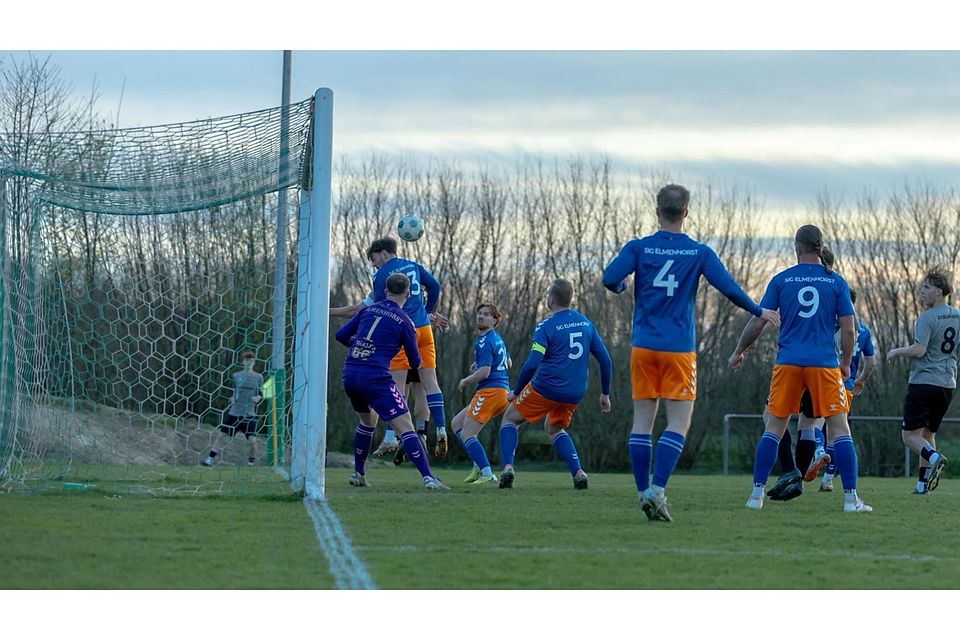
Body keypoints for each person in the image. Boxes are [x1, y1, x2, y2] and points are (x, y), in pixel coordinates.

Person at [601, 183, 780, 522]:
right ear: (686, 212)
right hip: (679, 350)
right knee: (679, 423)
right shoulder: (698, 252)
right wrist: (759, 310)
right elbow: (727, 288)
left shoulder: (639, 248)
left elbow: (610, 278)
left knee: (642, 422)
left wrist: (621, 285)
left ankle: (642, 492)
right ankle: (657, 490)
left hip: (643, 346)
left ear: (657, 211)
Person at [729, 224, 872, 513]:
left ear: (797, 248)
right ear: (821, 247)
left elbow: (759, 320)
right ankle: (850, 499)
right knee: (839, 429)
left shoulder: (782, 279)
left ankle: (755, 496)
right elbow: (848, 329)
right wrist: (845, 362)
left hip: (788, 363)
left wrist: (739, 351)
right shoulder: (836, 282)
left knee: (774, 427)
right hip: (824, 365)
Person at [330, 236, 450, 457]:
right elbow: (433, 285)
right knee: (428, 384)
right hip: (425, 329)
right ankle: (440, 429)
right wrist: (429, 312)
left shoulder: (383, 277)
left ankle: (391, 437)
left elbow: (371, 307)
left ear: (383, 253)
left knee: (396, 387)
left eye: (373, 259)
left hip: (405, 332)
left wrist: (328, 312)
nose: (374, 264)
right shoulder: (413, 266)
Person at [497, 279, 612, 490]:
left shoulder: (546, 326)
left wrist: (516, 391)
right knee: (554, 427)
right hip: (575, 393)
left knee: (510, 419)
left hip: (546, 388)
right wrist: (605, 393)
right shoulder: (586, 323)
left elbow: (532, 363)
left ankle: (507, 468)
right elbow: (605, 360)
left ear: (551, 299)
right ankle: (578, 472)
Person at [886, 266, 957, 494]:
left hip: (924, 382)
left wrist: (896, 351)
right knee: (928, 435)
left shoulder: (927, 317)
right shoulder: (957, 316)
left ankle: (935, 457)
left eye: (926, 287)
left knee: (910, 437)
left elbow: (919, 350)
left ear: (939, 291)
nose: (921, 291)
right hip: (947, 385)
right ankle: (922, 485)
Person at [820, 288, 877, 491]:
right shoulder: (863, 330)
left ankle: (818, 453)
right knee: (838, 433)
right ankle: (827, 479)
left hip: (826, 380)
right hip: (848, 386)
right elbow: (871, 363)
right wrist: (860, 380)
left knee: (814, 424)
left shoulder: (830, 325)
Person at [452, 303, 512, 486]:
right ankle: (478, 466)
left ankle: (487, 473)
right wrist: (478, 364)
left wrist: (466, 380)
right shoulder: (496, 339)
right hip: (501, 392)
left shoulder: (485, 341)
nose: (481, 317)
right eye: (479, 313)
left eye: (486, 314)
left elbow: (485, 373)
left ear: (494, 320)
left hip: (490, 392)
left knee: (468, 434)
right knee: (457, 424)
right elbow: (508, 362)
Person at [203, 351, 264, 467]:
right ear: (243, 362)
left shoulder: (258, 377)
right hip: (234, 413)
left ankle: (250, 462)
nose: (249, 362)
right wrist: (232, 398)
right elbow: (232, 390)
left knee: (252, 441)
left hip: (249, 414)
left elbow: (261, 393)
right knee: (221, 436)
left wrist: (258, 398)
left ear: (254, 362)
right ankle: (209, 459)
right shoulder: (236, 376)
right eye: (247, 359)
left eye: (252, 360)